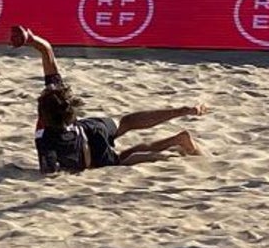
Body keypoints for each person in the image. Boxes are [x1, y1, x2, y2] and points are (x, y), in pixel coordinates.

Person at [13, 25, 204, 173]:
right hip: (91, 127)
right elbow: (47, 51)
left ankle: (175, 141)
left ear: (44, 116)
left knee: (123, 159)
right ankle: (181, 112)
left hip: (90, 155)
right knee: (126, 122)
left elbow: (48, 171)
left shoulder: (44, 135)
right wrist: (30, 38)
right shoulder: (59, 99)